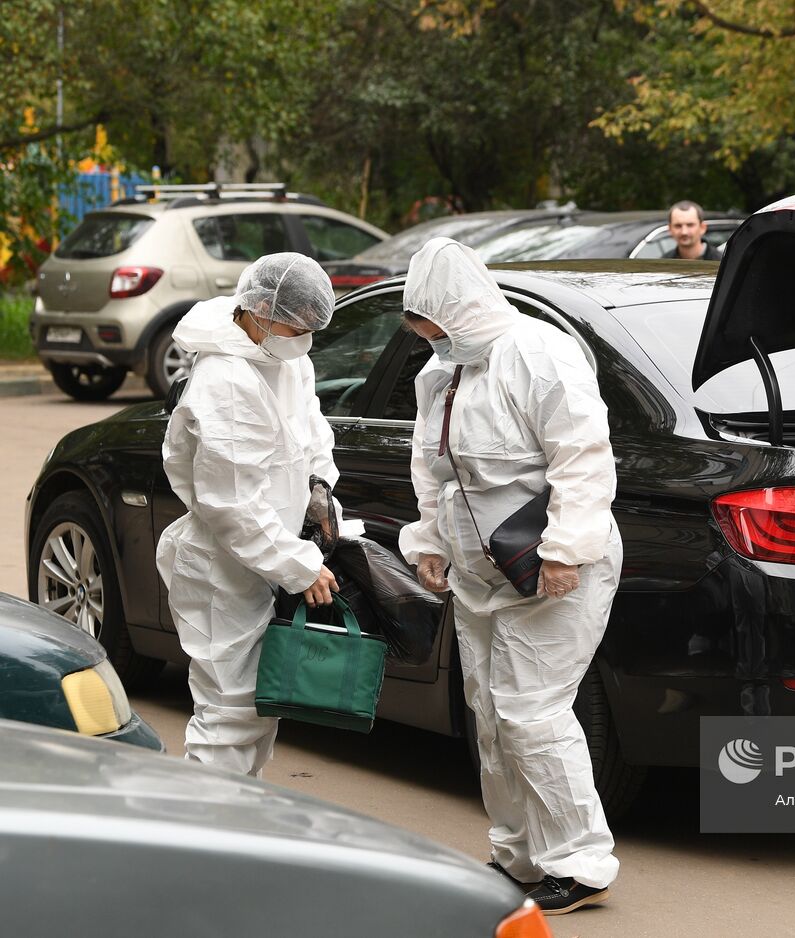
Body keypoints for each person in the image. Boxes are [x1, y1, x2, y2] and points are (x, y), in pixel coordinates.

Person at [399, 237, 622, 916]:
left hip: (552, 570)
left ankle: (580, 862)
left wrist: (565, 549)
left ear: (460, 310)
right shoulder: (440, 374)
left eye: (433, 326)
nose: (428, 340)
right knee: (491, 717)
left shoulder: (539, 353)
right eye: (420, 330)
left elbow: (582, 457)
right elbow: (433, 472)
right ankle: (516, 854)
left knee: (532, 712)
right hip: (478, 575)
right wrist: (430, 542)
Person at [156, 252, 348, 778]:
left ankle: (242, 828)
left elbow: (312, 435)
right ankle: (206, 846)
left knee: (259, 710)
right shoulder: (225, 382)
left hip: (265, 563)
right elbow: (231, 503)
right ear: (259, 307)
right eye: (296, 322)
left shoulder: (286, 359)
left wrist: (318, 489)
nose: (304, 336)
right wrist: (297, 565)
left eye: (312, 326)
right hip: (222, 572)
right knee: (227, 714)